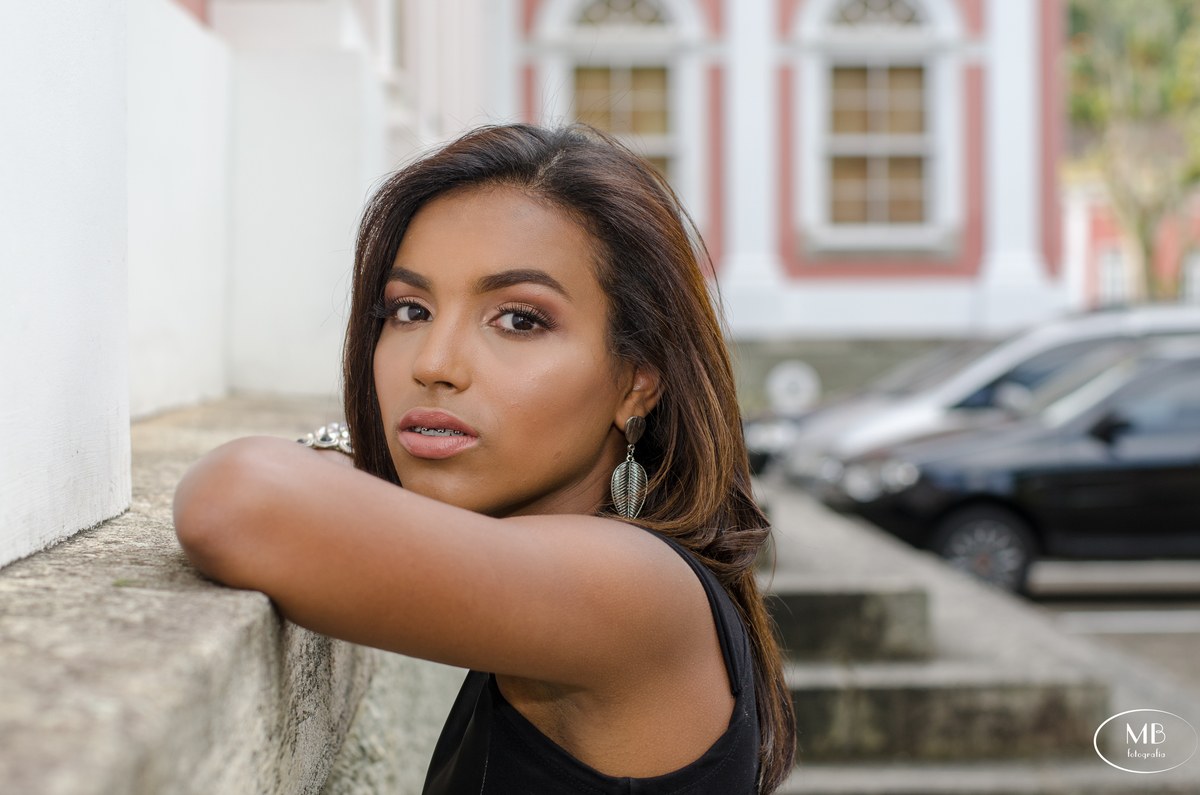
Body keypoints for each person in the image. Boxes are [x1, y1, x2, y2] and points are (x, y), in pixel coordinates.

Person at [173, 124, 796, 794]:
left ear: (636, 379)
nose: (434, 363)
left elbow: (236, 501)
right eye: (409, 309)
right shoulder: (563, 581)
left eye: (520, 319)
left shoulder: (635, 588)